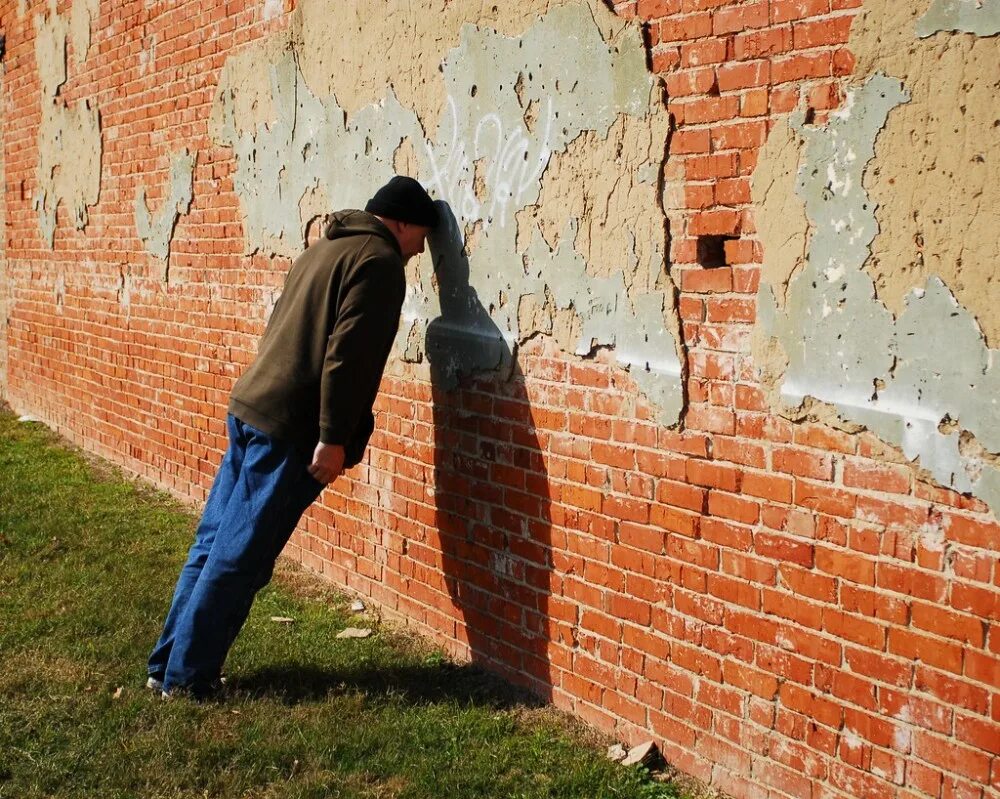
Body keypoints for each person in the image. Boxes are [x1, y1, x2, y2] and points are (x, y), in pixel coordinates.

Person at [146, 175, 438, 699]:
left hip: (251, 407)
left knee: (212, 543)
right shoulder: (379, 263)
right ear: (401, 223)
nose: (421, 250)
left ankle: (167, 666)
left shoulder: (321, 250)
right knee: (240, 557)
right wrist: (333, 438)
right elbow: (347, 358)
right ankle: (188, 680)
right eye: (422, 236)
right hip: (289, 428)